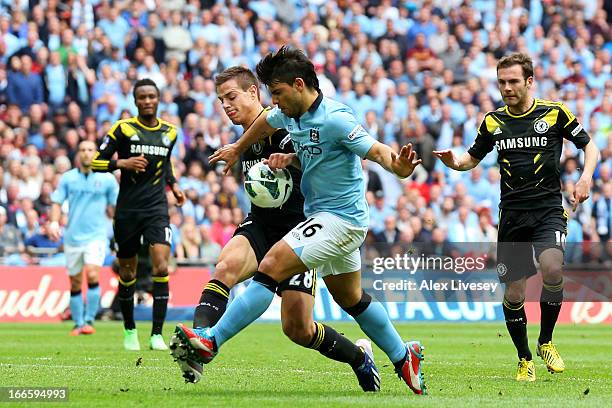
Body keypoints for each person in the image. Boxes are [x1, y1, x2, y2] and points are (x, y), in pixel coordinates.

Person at [175, 47, 427, 395]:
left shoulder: (336, 118)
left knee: (271, 265)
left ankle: (211, 341)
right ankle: (403, 356)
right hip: (325, 219)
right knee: (350, 298)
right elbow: (265, 122)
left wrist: (397, 167)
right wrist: (243, 148)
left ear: (298, 84)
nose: (273, 101)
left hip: (340, 220)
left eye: (276, 93)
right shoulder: (289, 116)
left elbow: (376, 150)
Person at [433, 53, 598, 382]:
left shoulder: (554, 113)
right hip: (511, 216)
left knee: (552, 268)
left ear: (529, 81)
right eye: (502, 82)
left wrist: (585, 178)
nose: (506, 88)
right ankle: (524, 358)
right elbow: (471, 159)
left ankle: (546, 340)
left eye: (512, 81)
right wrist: (455, 162)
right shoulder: (492, 122)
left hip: (549, 210)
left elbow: (589, 146)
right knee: (514, 294)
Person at [91, 78, 185, 351]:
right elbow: (96, 161)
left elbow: (166, 164)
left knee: (161, 266)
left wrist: (175, 186)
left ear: (158, 99)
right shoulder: (122, 129)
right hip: (128, 211)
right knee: (128, 270)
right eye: (141, 97)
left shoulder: (170, 132)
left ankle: (156, 334)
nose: (146, 101)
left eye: (151, 96)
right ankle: (130, 330)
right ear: (135, 101)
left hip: (156, 209)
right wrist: (122, 163)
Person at [49, 140, 119, 336]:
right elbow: (56, 202)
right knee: (75, 283)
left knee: (93, 274)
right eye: (82, 150)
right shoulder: (68, 178)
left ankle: (89, 320)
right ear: (78, 154)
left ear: (96, 153)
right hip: (72, 237)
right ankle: (78, 323)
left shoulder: (107, 179)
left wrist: (122, 230)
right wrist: (54, 223)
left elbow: (117, 208)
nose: (86, 153)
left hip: (96, 236)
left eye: (90, 150)